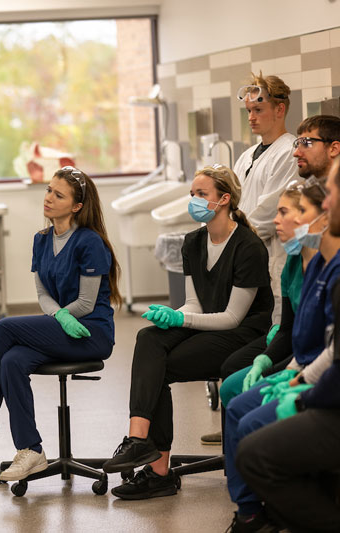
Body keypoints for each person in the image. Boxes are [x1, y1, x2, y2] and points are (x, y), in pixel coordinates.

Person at [102, 165, 274, 500]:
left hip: (244, 334)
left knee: (159, 366)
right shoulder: (193, 242)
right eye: (192, 193)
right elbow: (194, 304)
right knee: (150, 338)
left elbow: (232, 318)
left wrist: (181, 321)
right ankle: (138, 440)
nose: (193, 200)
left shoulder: (249, 247)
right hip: (209, 325)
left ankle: (158, 470)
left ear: (224, 199)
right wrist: (174, 315)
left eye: (201, 194)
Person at [0, 166, 120, 482]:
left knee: (4, 328)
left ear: (77, 206)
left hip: (90, 332)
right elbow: (42, 293)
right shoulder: (41, 240)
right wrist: (58, 316)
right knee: (12, 361)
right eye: (49, 190)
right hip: (61, 327)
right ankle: (31, 450)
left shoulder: (89, 242)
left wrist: (65, 316)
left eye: (58, 194)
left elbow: (87, 304)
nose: (49, 198)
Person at [201, 114, 340, 446]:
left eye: (307, 142)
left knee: (244, 386)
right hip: (304, 352)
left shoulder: (329, 264)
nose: (297, 152)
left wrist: (299, 375)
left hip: (321, 364)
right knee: (237, 376)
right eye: (297, 142)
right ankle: (239, 444)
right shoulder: (300, 257)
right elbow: (294, 326)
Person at [220, 173, 340, 531]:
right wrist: (276, 363)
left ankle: (269, 509)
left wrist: (302, 383)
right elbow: (291, 329)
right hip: (305, 368)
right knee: (237, 403)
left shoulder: (332, 269)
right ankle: (249, 509)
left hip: (319, 377)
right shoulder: (309, 265)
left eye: (292, 210)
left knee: (253, 426)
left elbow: (333, 351)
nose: (277, 220)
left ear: (321, 214)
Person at [234, 73, 297, 323]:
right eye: (249, 110)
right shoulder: (248, 155)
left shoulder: (289, 152)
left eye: (258, 109)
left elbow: (269, 213)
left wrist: (230, 238)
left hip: (271, 255)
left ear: (280, 109)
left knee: (274, 329)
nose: (251, 117)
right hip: (247, 255)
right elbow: (234, 201)